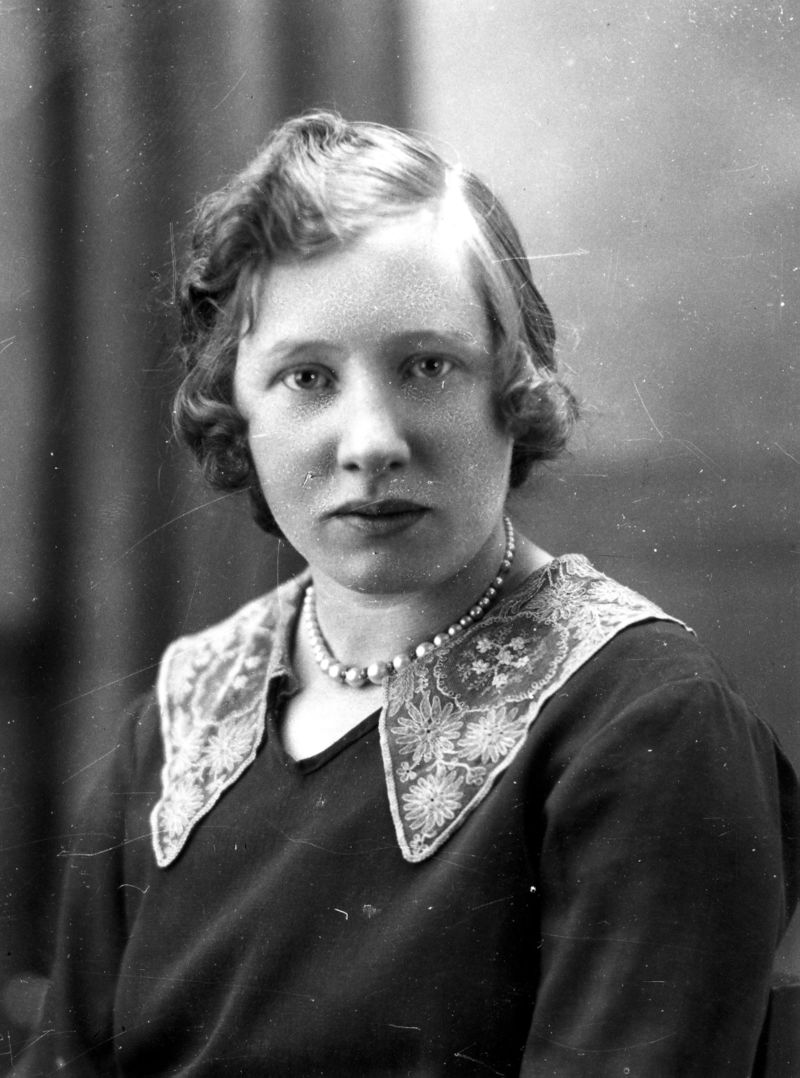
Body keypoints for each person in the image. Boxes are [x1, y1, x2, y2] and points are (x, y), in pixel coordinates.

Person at [24, 111, 798, 1076]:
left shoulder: (645, 719)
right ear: (237, 413)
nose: (371, 442)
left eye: (428, 366)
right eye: (307, 377)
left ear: (513, 387)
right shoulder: (180, 720)